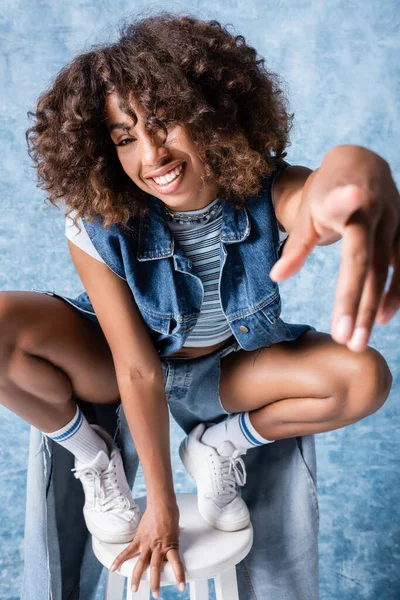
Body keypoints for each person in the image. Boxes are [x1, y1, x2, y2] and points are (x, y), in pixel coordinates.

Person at [2, 11, 397, 600]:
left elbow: (327, 189)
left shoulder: (266, 188)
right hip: (117, 366)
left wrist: (365, 171)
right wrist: (158, 506)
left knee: (365, 377)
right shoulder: (99, 220)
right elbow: (137, 367)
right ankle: (94, 453)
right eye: (125, 136)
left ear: (212, 114)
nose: (151, 153)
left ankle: (222, 445)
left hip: (223, 374)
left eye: (163, 123)